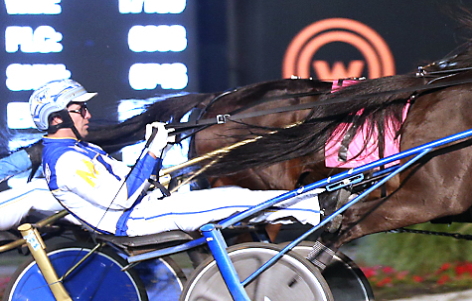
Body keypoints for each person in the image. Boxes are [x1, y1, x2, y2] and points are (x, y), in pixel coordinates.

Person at [31, 79, 322, 237]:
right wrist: (152, 150)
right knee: (236, 199)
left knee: (235, 198)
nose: (88, 115)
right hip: (136, 218)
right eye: (80, 110)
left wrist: (158, 152)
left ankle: (307, 208)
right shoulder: (66, 162)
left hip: (144, 207)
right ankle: (316, 207)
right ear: (56, 118)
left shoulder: (77, 151)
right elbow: (121, 198)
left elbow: (132, 180)